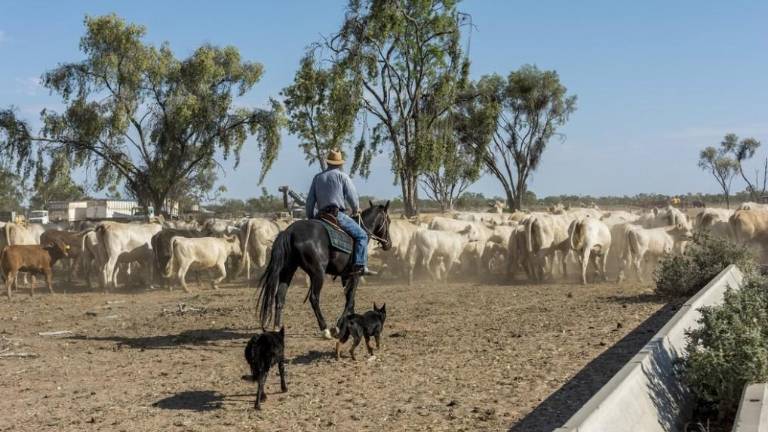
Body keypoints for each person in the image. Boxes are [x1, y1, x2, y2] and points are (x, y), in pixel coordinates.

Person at [305, 150, 377, 276]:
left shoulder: (317, 177)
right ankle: (360, 265)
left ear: (328, 163)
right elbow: (352, 196)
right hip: (336, 215)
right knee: (362, 236)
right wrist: (356, 209)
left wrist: (311, 217)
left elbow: (310, 201)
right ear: (339, 164)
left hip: (320, 216)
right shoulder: (342, 176)